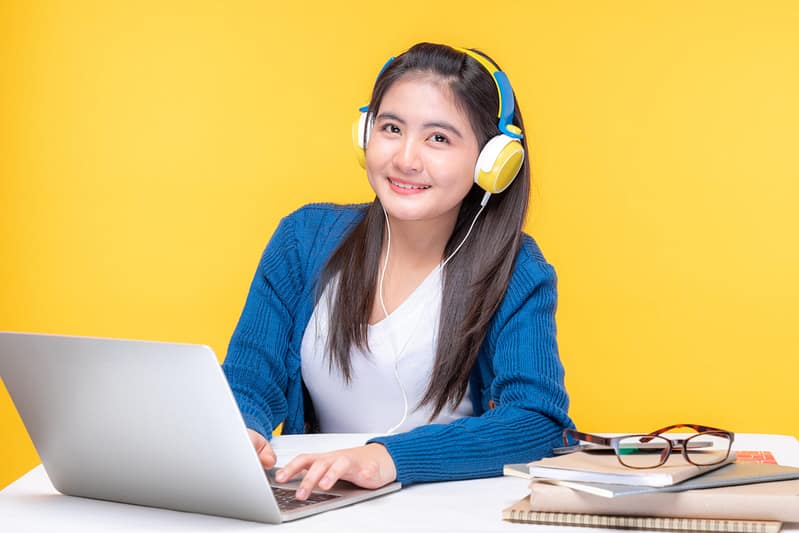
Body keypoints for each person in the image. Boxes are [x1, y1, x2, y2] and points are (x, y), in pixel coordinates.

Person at [222, 42, 573, 500]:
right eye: (391, 128)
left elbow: (538, 423)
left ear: (492, 163)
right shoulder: (302, 239)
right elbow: (249, 379)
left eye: (439, 138)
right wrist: (241, 431)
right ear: (365, 133)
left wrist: (387, 458)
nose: (406, 158)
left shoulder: (517, 270)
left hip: (443, 512)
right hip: (318, 503)